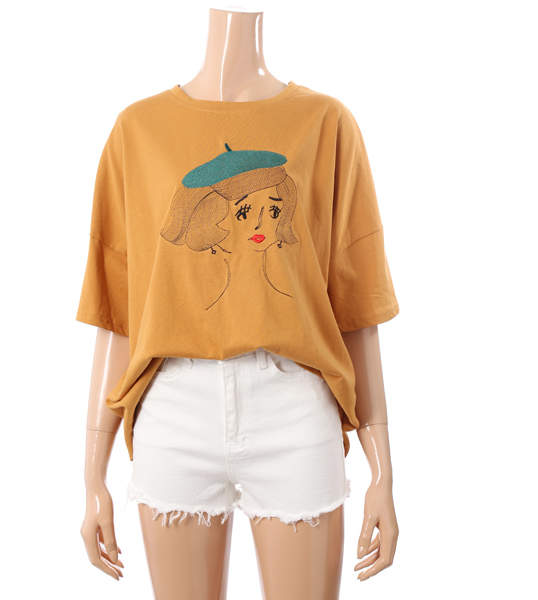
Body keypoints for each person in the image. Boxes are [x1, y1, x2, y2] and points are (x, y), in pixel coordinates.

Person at [78, 6, 400, 599]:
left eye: (271, 210)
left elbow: (357, 307)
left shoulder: (326, 122)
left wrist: (383, 470)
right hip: (173, 405)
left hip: (295, 404)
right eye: (243, 210)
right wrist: (91, 475)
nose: (259, 222)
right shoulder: (137, 129)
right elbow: (117, 312)